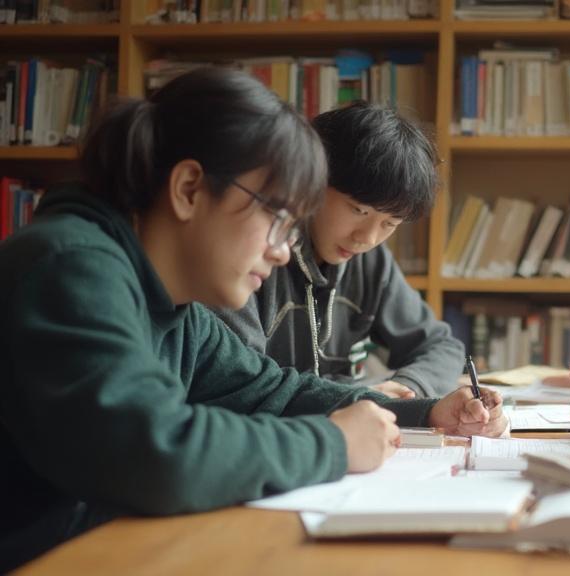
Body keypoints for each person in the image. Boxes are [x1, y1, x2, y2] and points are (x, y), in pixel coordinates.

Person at [0, 68, 505, 572]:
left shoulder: (176, 309)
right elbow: (154, 452)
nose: (284, 251)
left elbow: (272, 392)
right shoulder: (69, 267)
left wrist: (423, 414)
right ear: (190, 189)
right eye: (277, 219)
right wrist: (332, 444)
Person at [216, 102, 463, 399]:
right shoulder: (255, 254)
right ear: (313, 178)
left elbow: (441, 346)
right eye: (359, 210)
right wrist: (361, 396)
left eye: (390, 223)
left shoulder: (371, 261)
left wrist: (410, 388)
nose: (367, 238)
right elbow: (245, 385)